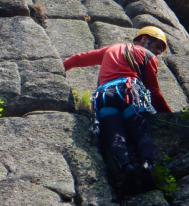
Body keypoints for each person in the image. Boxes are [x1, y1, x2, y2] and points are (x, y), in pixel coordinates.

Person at [63, 26, 172, 192]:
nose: (157, 52)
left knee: (115, 136)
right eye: (156, 46)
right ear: (144, 39)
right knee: (141, 133)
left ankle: (126, 167)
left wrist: (59, 69)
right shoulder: (148, 57)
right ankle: (146, 165)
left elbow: (80, 59)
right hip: (130, 93)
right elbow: (154, 93)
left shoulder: (112, 49)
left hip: (105, 96)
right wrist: (169, 116)